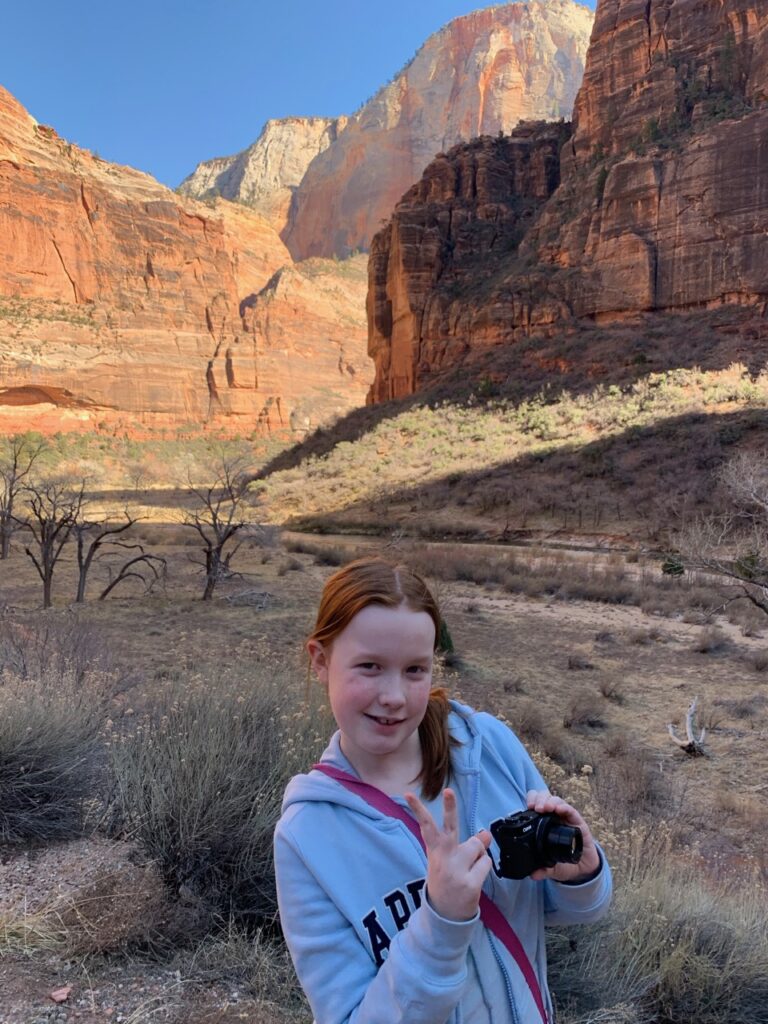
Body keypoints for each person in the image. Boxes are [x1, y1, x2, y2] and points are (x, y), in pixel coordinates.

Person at [274, 556, 612, 1024]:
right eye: (369, 666)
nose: (394, 696)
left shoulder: (488, 746)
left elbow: (570, 909)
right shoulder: (307, 835)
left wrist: (581, 873)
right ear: (320, 661)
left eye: (415, 669)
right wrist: (441, 923)